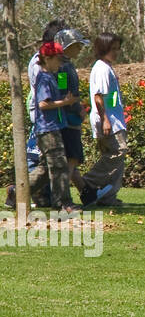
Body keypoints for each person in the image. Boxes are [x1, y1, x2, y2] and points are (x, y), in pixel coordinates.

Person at [26, 41, 80, 214]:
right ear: (47, 59)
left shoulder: (50, 76)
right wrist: (65, 102)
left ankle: (18, 192)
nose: (60, 63)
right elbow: (43, 104)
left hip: (54, 126)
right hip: (47, 129)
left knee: (44, 168)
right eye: (58, 60)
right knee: (59, 166)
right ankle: (62, 204)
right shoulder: (44, 78)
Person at [81, 32, 128, 209]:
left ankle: (108, 197)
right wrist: (106, 120)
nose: (116, 52)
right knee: (116, 153)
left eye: (117, 49)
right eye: (112, 49)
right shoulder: (101, 68)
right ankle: (87, 182)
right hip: (110, 121)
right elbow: (98, 97)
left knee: (118, 159)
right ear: (103, 49)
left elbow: (111, 97)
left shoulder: (107, 67)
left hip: (116, 119)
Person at [52, 29, 90, 202]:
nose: (80, 48)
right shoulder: (63, 68)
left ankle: (87, 194)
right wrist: (78, 109)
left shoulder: (64, 65)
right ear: (66, 47)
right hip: (69, 120)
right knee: (72, 159)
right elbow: (64, 93)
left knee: (71, 161)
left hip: (67, 118)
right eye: (76, 45)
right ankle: (62, 199)